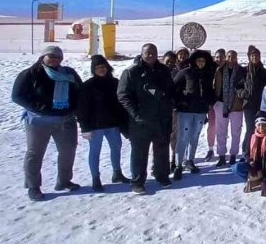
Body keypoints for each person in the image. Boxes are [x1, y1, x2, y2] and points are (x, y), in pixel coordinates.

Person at [12, 45, 83, 201]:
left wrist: (75, 109)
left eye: (58, 57)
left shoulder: (68, 73)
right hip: (38, 121)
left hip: (65, 120)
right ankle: (33, 186)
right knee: (35, 153)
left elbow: (80, 92)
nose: (54, 60)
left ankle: (64, 181)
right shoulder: (30, 74)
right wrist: (40, 108)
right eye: (51, 56)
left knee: (68, 151)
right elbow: (17, 96)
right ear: (43, 57)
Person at [118, 43, 176, 194]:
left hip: (162, 119)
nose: (151, 55)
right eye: (148, 53)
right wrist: (136, 114)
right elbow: (123, 95)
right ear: (142, 53)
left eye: (154, 52)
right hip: (141, 121)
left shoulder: (163, 70)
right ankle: (137, 181)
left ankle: (161, 175)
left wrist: (171, 104)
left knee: (162, 150)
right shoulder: (132, 72)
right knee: (139, 153)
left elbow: (170, 91)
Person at [76, 54, 129, 192]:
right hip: (95, 126)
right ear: (93, 69)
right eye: (98, 68)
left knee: (116, 148)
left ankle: (117, 173)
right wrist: (84, 127)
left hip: (113, 124)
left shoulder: (115, 83)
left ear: (107, 67)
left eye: (103, 67)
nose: (101, 70)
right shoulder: (87, 86)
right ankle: (96, 178)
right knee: (95, 152)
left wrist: (123, 122)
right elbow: (81, 109)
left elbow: (121, 104)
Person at [172, 50, 215, 179]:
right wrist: (180, 102)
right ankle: (178, 164)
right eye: (198, 60)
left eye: (203, 61)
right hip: (185, 111)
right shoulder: (185, 72)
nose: (201, 63)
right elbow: (174, 89)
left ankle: (190, 160)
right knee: (183, 137)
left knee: (194, 136)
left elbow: (211, 90)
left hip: (200, 111)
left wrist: (210, 100)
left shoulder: (208, 75)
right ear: (194, 61)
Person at [214, 50, 246, 167]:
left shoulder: (242, 70)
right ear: (226, 58)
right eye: (229, 56)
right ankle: (221, 155)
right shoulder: (220, 70)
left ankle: (233, 155)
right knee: (221, 131)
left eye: (233, 57)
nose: (231, 59)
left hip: (236, 106)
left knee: (236, 132)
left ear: (237, 58)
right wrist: (215, 101)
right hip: (221, 104)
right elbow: (215, 86)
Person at [240, 45, 266, 158]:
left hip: (261, 105)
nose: (254, 58)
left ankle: (260, 149)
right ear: (249, 57)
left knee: (261, 127)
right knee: (250, 128)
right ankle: (246, 151)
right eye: (252, 56)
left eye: (256, 56)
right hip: (248, 104)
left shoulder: (265, 72)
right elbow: (238, 86)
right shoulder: (243, 71)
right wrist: (242, 93)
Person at [204, 48, 227, 161]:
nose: (219, 59)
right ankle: (210, 148)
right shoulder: (209, 68)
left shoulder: (227, 69)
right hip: (211, 102)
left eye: (221, 57)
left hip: (222, 101)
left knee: (221, 127)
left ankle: (221, 150)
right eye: (217, 57)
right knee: (212, 126)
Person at [245, 116, 266, 195]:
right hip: (254, 166)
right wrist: (250, 161)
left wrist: (264, 173)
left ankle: (259, 181)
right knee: (236, 168)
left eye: (263, 125)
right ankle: (255, 179)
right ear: (256, 126)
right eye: (259, 125)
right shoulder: (251, 136)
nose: (261, 127)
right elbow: (246, 153)